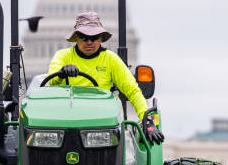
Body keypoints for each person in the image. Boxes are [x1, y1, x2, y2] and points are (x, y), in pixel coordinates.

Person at [47, 12, 164, 144]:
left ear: (101, 38)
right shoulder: (63, 56)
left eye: (94, 37)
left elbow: (132, 90)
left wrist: (147, 120)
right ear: (76, 37)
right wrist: (63, 72)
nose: (89, 42)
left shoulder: (111, 59)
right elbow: (52, 80)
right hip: (64, 119)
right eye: (84, 37)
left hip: (100, 121)